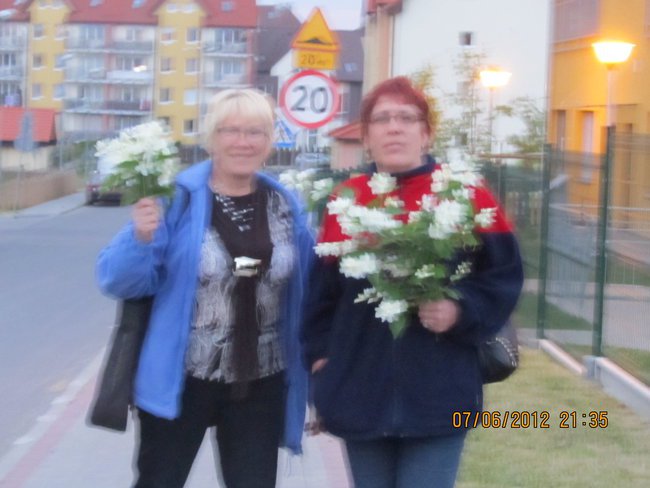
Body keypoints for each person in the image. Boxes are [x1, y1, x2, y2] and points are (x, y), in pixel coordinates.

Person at [302, 77, 524, 488]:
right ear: (366, 137)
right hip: (360, 394)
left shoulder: (464, 195)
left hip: (440, 395)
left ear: (426, 133)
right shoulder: (345, 202)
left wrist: (460, 310)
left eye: (407, 118)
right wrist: (322, 363)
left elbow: (504, 278)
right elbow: (321, 298)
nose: (394, 128)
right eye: (382, 119)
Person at [96, 89, 314, 488]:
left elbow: (310, 289)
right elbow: (117, 280)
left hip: (261, 380)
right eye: (230, 130)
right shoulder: (176, 199)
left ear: (270, 141)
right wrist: (140, 238)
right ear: (211, 138)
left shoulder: (286, 205)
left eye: (255, 132)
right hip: (182, 380)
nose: (243, 142)